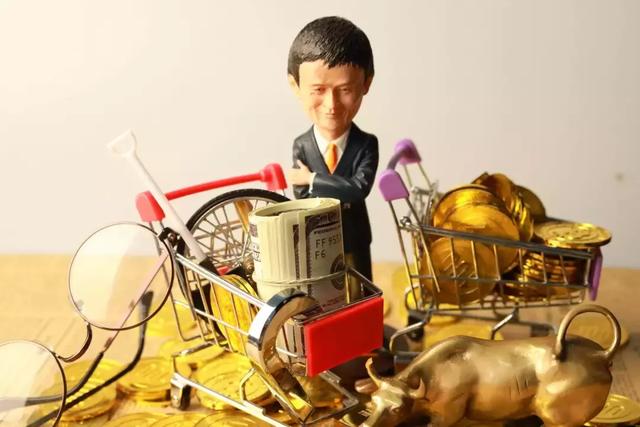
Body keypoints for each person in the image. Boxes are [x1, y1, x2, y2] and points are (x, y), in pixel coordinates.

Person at [287, 16, 378, 281]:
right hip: (316, 240)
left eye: (345, 89)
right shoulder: (302, 145)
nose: (332, 105)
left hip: (355, 237)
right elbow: (302, 198)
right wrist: (336, 190)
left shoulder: (366, 144)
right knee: (322, 290)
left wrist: (312, 179)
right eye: (318, 89)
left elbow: (359, 189)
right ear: (295, 86)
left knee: (362, 290)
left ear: (366, 83)